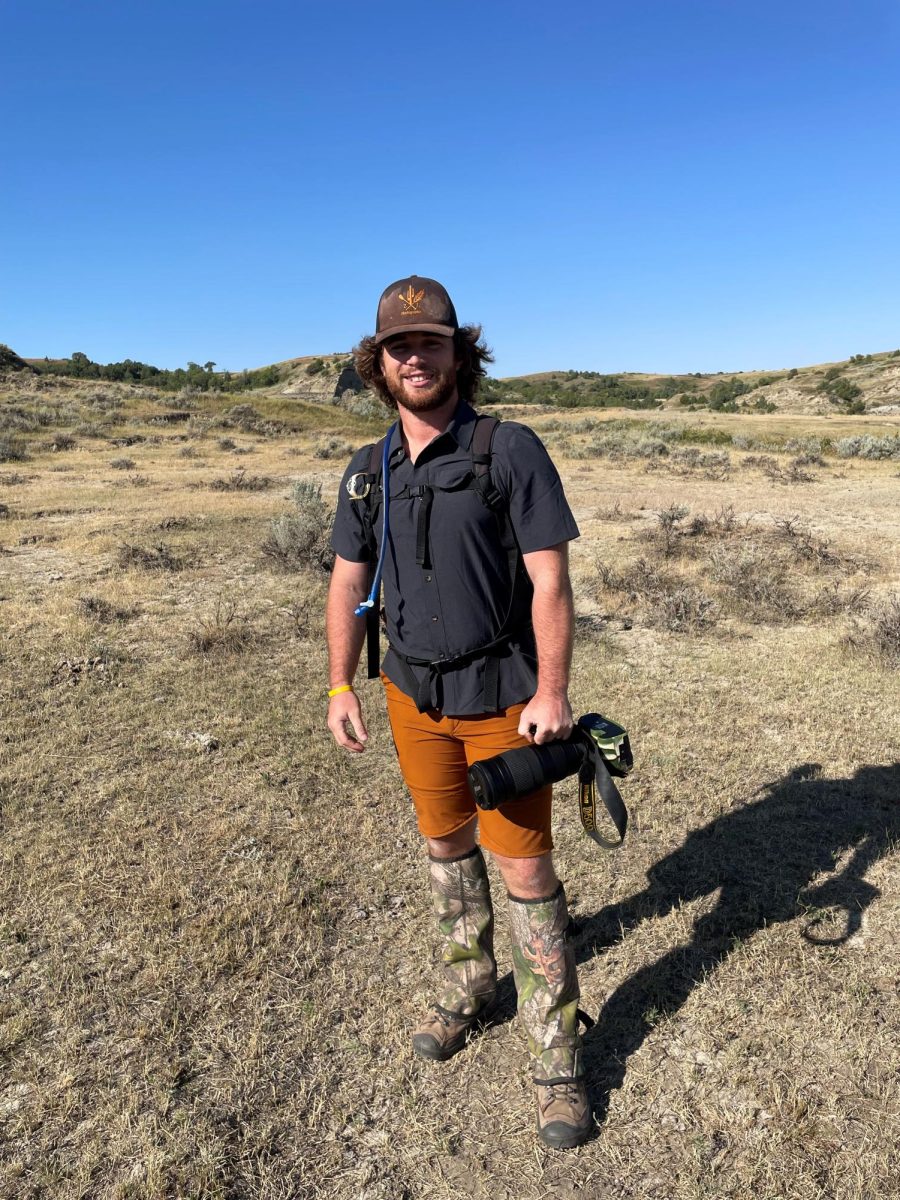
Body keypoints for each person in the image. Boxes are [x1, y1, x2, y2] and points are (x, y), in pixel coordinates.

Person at [325, 275, 591, 1149]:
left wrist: (552, 693)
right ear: (378, 363)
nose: (414, 358)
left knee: (526, 873)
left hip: (504, 700)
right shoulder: (368, 473)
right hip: (412, 695)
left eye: (430, 343)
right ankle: (470, 986)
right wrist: (340, 684)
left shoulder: (507, 450)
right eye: (398, 347)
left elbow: (550, 578)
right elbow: (349, 582)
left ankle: (557, 1062)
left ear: (457, 353)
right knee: (444, 849)